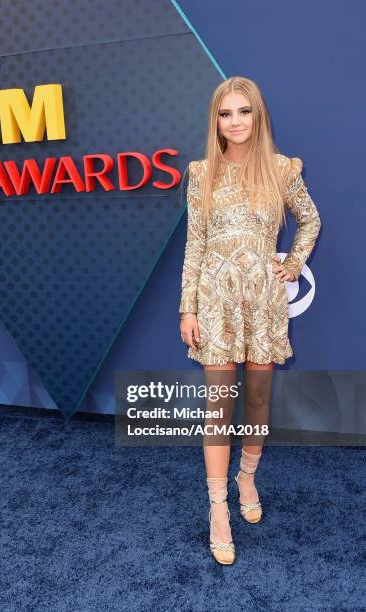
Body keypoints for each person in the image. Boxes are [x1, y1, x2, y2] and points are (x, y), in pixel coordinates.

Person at [178, 76, 321, 565]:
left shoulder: (281, 169)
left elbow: (311, 218)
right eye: (225, 113)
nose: (235, 121)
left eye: (243, 111)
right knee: (219, 407)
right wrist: (188, 307)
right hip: (215, 301)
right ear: (214, 120)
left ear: (257, 115)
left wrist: (294, 262)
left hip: (261, 300)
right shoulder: (202, 173)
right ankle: (218, 509)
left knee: (257, 400)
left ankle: (247, 478)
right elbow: (195, 242)